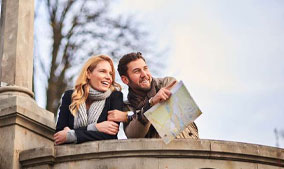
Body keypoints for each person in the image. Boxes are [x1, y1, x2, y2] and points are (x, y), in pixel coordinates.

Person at [108, 52, 199, 139]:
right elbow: (134, 134)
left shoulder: (167, 83)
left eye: (145, 68)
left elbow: (173, 117)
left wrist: (133, 116)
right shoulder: (127, 106)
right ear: (125, 80)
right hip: (156, 153)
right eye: (137, 71)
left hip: (188, 148)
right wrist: (151, 103)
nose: (144, 74)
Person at [54, 55, 125, 144]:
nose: (108, 77)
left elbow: (110, 135)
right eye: (103, 71)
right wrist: (95, 127)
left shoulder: (115, 96)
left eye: (110, 73)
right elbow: (59, 135)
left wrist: (71, 134)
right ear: (88, 74)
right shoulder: (70, 96)